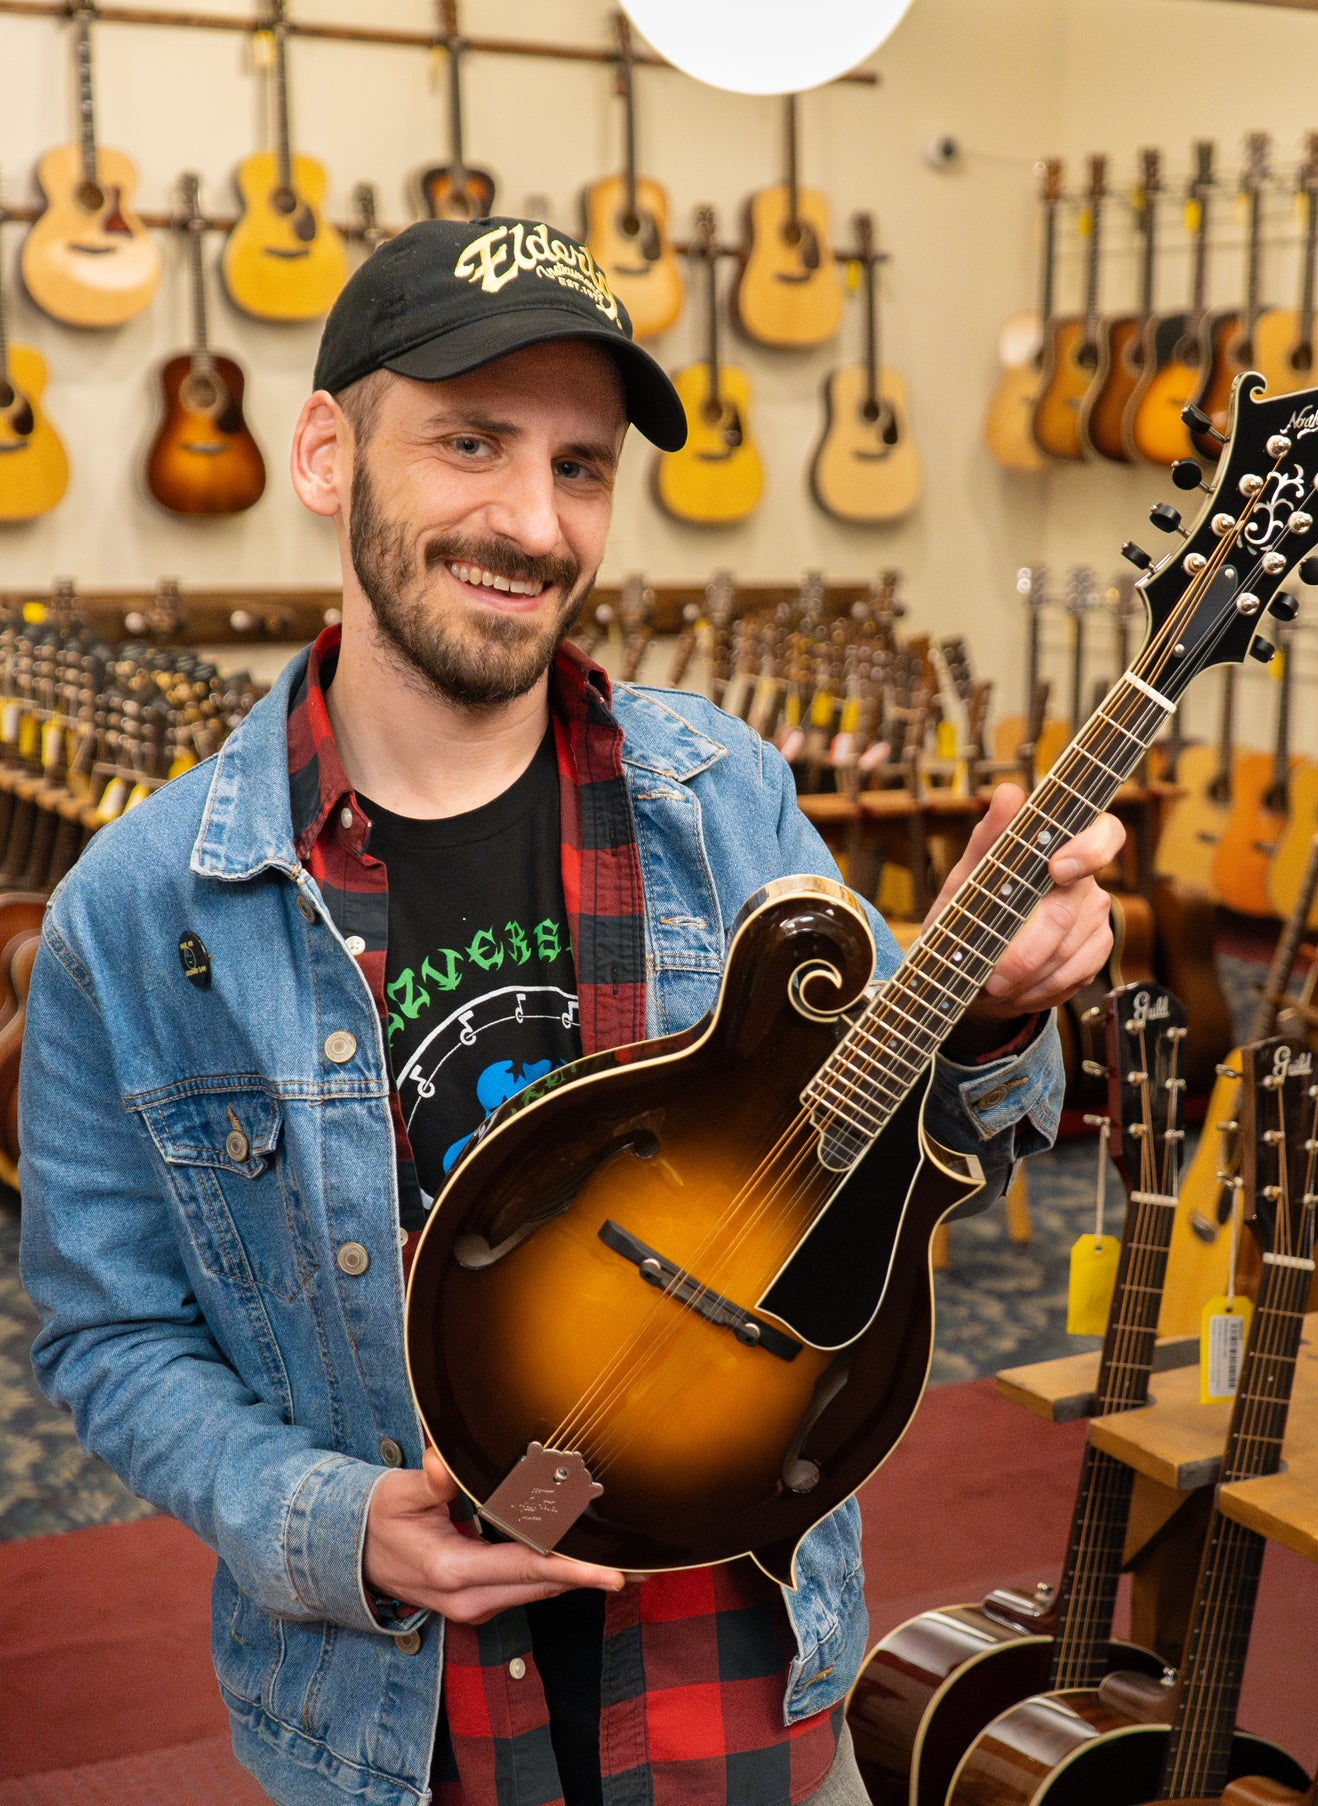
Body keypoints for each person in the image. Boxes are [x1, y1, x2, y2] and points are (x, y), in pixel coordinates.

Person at [20, 219, 1123, 1806]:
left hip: (744, 1684)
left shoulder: (725, 800)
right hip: (400, 1727)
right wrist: (325, 1519)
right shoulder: (142, 909)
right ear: (326, 454)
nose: (533, 520)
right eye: (470, 442)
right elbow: (108, 1325)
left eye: (581, 466)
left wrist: (990, 1014)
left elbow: (893, 1163)